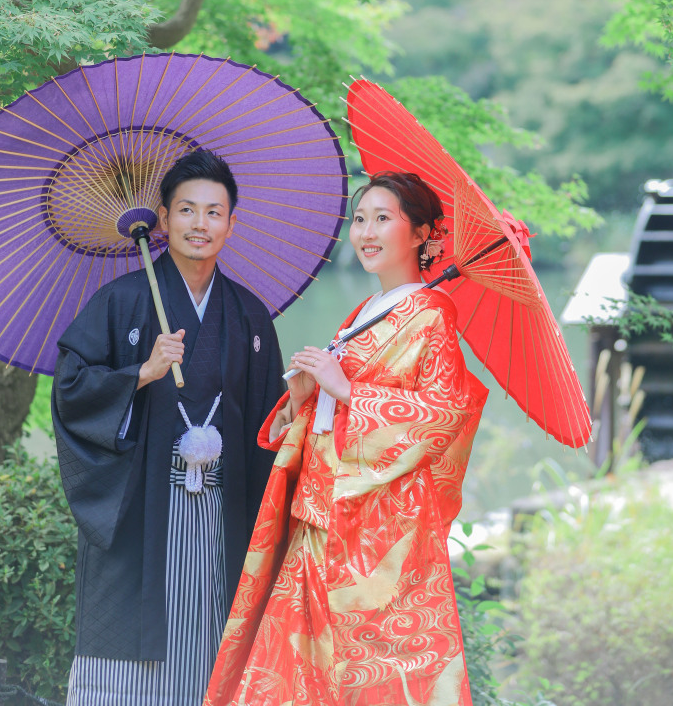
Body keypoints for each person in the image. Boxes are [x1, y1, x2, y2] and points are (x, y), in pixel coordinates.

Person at [204, 171, 488, 706]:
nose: (366, 232)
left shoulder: (430, 315)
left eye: (384, 219)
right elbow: (329, 414)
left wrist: (347, 388)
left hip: (375, 534)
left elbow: (444, 414)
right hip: (321, 515)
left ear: (425, 233)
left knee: (370, 675)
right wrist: (303, 396)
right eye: (360, 220)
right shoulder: (364, 314)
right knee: (287, 669)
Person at [53, 148, 284, 706]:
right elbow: (71, 389)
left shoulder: (250, 314)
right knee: (132, 645)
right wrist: (140, 373)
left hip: (222, 506)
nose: (199, 224)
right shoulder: (121, 301)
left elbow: (268, 426)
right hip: (142, 504)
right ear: (162, 218)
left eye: (213, 212)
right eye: (186, 210)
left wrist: (297, 406)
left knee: (211, 631)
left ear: (231, 223)